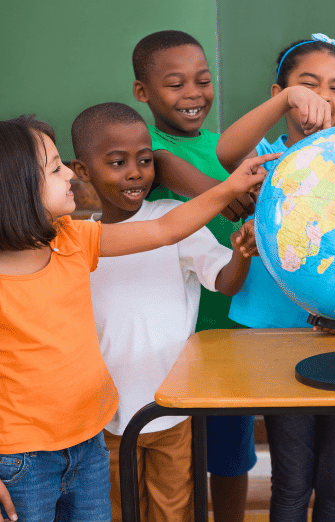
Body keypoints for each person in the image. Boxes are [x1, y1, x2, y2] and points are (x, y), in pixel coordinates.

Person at [0, 115, 274, 522]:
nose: (67, 178)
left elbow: (165, 229)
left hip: (88, 441)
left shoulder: (73, 240)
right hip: (22, 460)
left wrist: (230, 188)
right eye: (55, 168)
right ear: (16, 188)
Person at [69, 103, 259, 521]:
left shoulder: (176, 221)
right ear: (82, 171)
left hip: (171, 411)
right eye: (117, 163)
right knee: (119, 511)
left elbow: (225, 282)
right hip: (106, 419)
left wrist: (242, 255)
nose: (135, 173)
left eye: (145, 160)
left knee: (175, 511)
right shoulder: (78, 241)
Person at [216, 34, 335, 522]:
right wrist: (287, 98)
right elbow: (226, 149)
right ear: (278, 91)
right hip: (279, 338)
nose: (321, 96)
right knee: (292, 478)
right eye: (307, 84)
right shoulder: (262, 159)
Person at [131, 30, 257, 518]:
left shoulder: (223, 148)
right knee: (173, 464)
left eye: (203, 81)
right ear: (142, 92)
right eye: (175, 83)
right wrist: (231, 192)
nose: (193, 94)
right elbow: (215, 194)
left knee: (229, 459)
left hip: (231, 327)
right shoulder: (148, 156)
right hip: (178, 338)